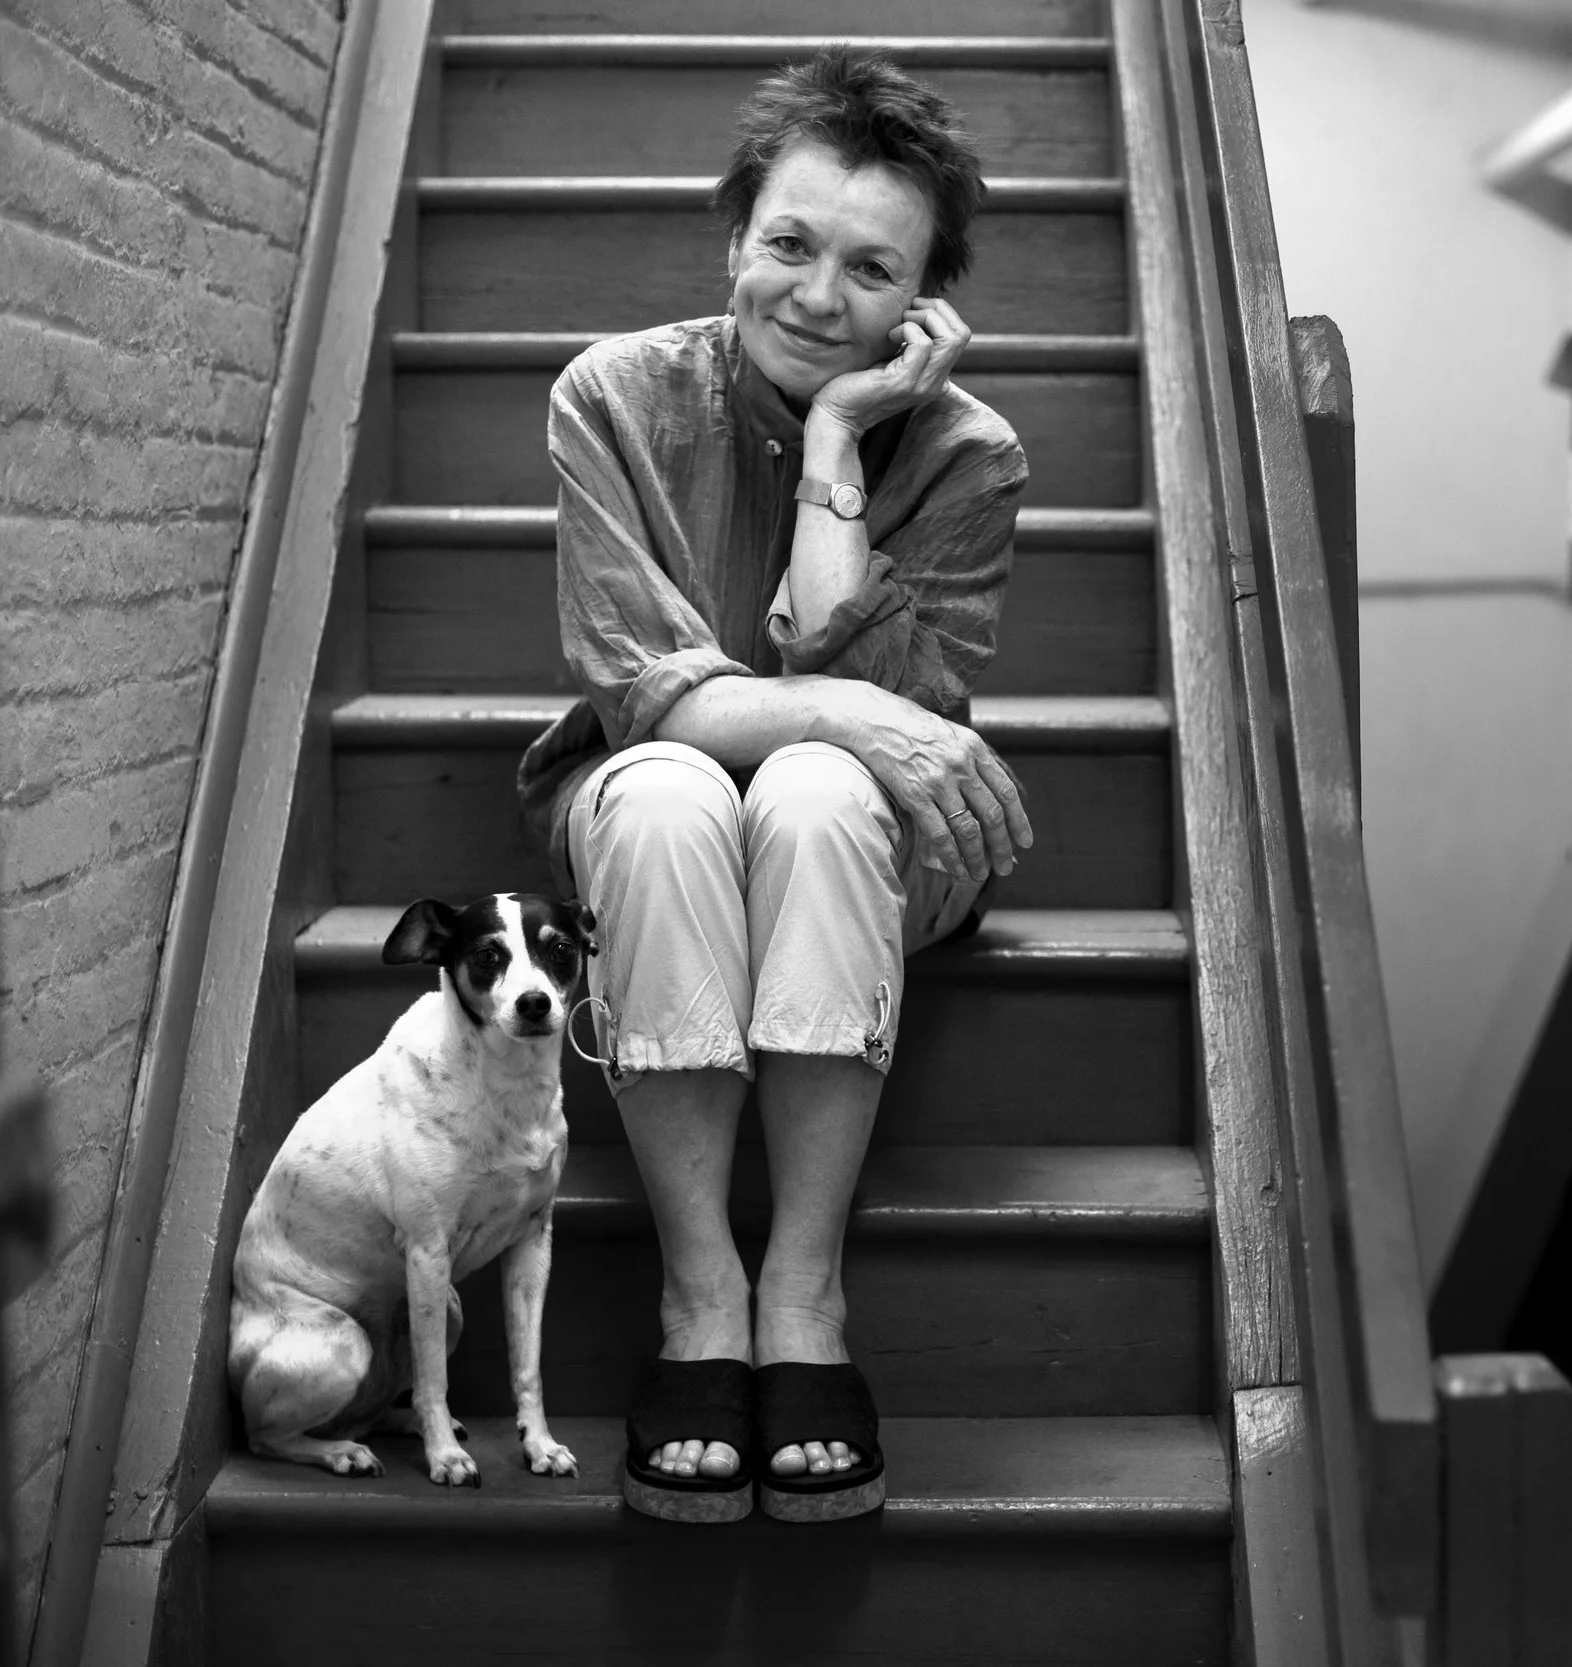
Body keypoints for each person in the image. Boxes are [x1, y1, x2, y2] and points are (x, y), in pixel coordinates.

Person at [513, 47, 1031, 1524]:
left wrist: (833, 444)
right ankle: (699, 1292)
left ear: (926, 306)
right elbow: (647, 686)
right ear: (733, 238)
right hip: (651, 827)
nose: (818, 296)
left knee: (808, 787)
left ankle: (803, 1292)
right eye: (790, 244)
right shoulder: (611, 397)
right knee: (680, 781)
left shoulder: (974, 456)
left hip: (868, 850)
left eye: (874, 269)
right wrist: (851, 720)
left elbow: (893, 718)